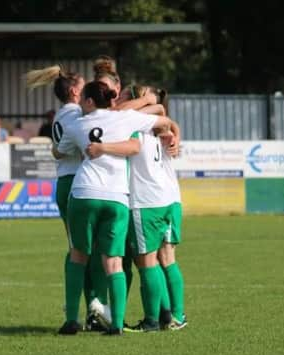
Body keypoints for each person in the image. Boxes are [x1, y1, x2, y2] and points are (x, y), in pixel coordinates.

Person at [55, 80, 177, 335]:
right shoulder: (126, 119)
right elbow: (162, 122)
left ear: (89, 101)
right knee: (113, 261)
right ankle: (118, 325)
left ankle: (71, 321)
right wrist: (170, 132)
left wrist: (90, 147)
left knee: (78, 256)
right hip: (117, 197)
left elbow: (59, 152)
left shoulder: (78, 124)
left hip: (84, 193)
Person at [86, 84, 186, 332]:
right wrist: (159, 111)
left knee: (147, 262)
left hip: (145, 201)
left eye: (124, 96)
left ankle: (153, 320)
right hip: (166, 198)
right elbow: (166, 120)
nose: (117, 99)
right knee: (165, 259)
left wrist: (147, 103)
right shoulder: (154, 124)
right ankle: (171, 315)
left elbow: (120, 111)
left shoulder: (132, 122)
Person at [25, 65, 104, 330]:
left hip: (68, 182)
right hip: (75, 183)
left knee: (83, 248)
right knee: (82, 250)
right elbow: (77, 146)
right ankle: (81, 312)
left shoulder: (62, 114)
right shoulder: (75, 115)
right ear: (74, 91)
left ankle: (86, 310)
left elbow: (58, 150)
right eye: (83, 88)